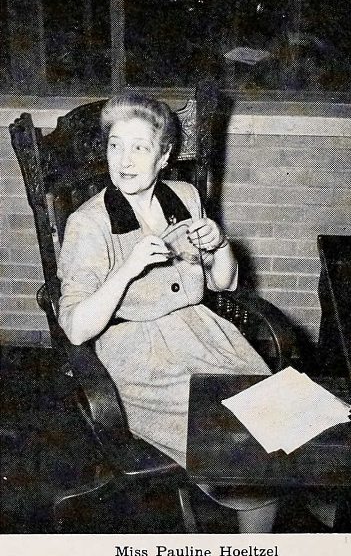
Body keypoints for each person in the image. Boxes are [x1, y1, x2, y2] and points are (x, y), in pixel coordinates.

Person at [57, 93, 328, 533]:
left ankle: (302, 502)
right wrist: (126, 270)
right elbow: (74, 327)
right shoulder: (88, 224)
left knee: (296, 420)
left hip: (206, 334)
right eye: (115, 144)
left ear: (164, 156)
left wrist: (219, 244)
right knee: (248, 457)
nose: (124, 160)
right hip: (139, 354)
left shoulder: (183, 196)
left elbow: (224, 284)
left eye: (140, 147)